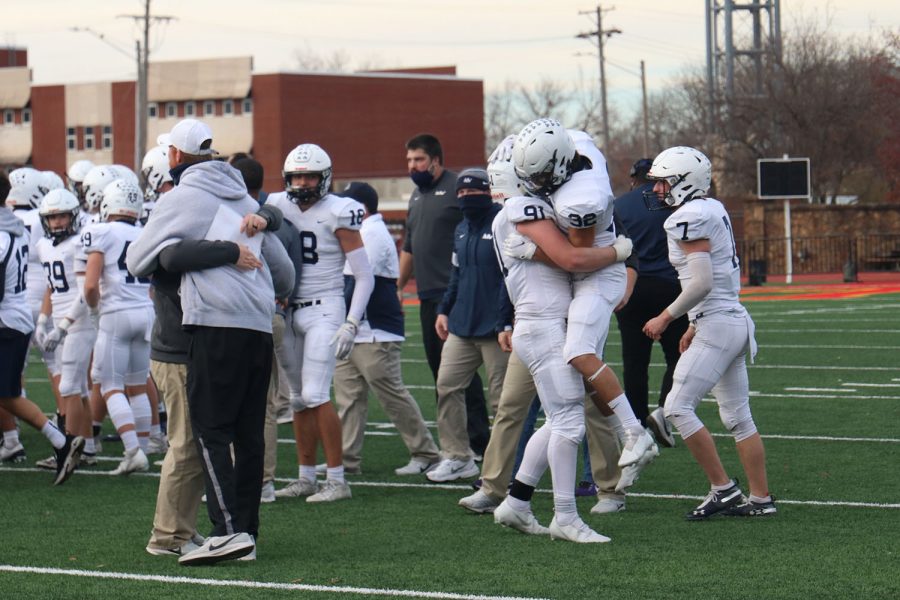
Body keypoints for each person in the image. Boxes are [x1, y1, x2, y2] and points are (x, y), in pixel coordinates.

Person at [127, 118, 294, 565]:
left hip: (210, 329)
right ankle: (247, 532)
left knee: (207, 434)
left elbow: (140, 258)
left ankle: (225, 532)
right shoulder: (244, 196)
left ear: (175, 157)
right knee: (249, 435)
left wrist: (188, 259)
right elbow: (285, 274)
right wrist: (227, 249)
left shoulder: (181, 198)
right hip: (258, 327)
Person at [489, 167, 631, 543]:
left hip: (539, 324)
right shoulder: (524, 209)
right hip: (544, 325)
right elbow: (570, 258)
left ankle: (517, 502)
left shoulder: (511, 213)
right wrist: (616, 251)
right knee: (569, 422)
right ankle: (566, 516)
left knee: (556, 420)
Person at [642, 146, 775, 519]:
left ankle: (724, 489)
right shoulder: (711, 208)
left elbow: (701, 282)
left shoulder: (689, 216)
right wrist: (693, 322)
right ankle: (760, 499)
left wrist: (666, 318)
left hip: (719, 322)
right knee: (737, 416)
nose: (657, 191)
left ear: (684, 182)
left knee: (676, 407)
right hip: (728, 319)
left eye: (663, 182)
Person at [268, 143, 374, 504]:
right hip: (289, 307)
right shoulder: (277, 205)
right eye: (296, 175)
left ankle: (337, 479)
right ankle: (305, 476)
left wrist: (351, 323)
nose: (302, 182)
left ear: (325, 177)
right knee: (298, 399)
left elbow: (364, 275)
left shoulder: (339, 211)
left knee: (315, 394)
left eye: (309, 175)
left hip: (325, 307)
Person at [327, 181, 440, 476]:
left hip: (375, 330)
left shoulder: (373, 233)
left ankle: (426, 452)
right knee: (348, 399)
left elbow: (356, 282)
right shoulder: (363, 231)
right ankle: (346, 460)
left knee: (392, 395)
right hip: (355, 329)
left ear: (360, 208)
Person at [397, 134, 491, 458]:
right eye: (409, 161)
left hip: (453, 293)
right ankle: (458, 444)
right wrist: (398, 285)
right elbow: (410, 246)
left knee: (462, 374)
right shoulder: (415, 196)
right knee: (441, 372)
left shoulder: (456, 187)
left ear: (436, 160)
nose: (413, 166)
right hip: (426, 296)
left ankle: (479, 442)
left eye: (418, 160)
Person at [427, 169, 512, 482]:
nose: (464, 198)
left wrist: (505, 320)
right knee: (447, 386)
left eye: (470, 192)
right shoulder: (462, 227)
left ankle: (505, 465)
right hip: (462, 325)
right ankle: (458, 456)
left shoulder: (502, 222)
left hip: (495, 329)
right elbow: (457, 274)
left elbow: (510, 276)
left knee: (501, 401)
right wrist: (444, 310)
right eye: (460, 193)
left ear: (486, 192)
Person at [0, 170, 84, 485]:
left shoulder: (4, 233)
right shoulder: (14, 228)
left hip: (7, 321)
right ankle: (57, 441)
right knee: (7, 394)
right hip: (15, 317)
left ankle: (60, 442)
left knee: (8, 395)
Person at [614, 158, 688, 447]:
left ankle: (636, 426)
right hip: (671, 287)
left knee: (634, 362)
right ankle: (665, 412)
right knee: (678, 357)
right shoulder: (673, 202)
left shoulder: (620, 205)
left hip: (631, 287)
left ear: (634, 178)